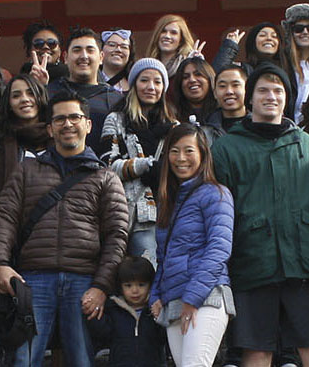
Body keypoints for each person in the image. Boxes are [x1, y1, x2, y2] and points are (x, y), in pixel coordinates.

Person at [0, 90, 130, 367]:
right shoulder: (27, 169)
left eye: (75, 117)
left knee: (81, 360)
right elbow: (5, 217)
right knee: (24, 360)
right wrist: (0, 264)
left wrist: (102, 285)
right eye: (60, 119)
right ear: (50, 128)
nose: (67, 124)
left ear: (88, 125)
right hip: (33, 279)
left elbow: (117, 235)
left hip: (84, 281)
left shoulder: (105, 177)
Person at [212, 62, 309, 367]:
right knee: (257, 352)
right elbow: (215, 209)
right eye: (263, 90)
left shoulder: (307, 145)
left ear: (287, 98)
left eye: (278, 91)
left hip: (305, 263)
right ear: (249, 98)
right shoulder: (226, 148)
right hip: (252, 263)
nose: (271, 96)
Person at [150, 123, 235, 367]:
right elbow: (163, 256)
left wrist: (193, 297)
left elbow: (219, 249)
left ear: (202, 155)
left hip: (206, 298)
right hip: (174, 301)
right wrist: (156, 294)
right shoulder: (169, 201)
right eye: (174, 151)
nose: (181, 158)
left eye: (189, 151)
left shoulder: (216, 194)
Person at [101, 58, 178, 263]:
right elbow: (107, 166)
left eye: (157, 81)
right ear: (134, 84)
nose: (151, 87)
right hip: (131, 213)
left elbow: (182, 167)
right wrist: (146, 165)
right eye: (144, 80)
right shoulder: (116, 119)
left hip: (169, 211)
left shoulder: (173, 127)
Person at [47, 27, 122, 155]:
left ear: (101, 57)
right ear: (65, 57)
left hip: (102, 170)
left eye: (90, 50)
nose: (84, 56)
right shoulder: (49, 93)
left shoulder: (117, 100)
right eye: (77, 50)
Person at [89, 256, 167, 367]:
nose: (135, 291)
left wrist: (159, 316)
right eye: (128, 285)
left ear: (151, 285)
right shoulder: (114, 310)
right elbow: (102, 335)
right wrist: (94, 312)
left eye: (141, 285)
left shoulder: (154, 311)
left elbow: (163, 338)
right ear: (120, 287)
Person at [0, 74, 50, 206]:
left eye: (31, 93)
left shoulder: (58, 137)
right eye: (16, 96)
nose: (25, 99)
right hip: (11, 220)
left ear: (41, 97)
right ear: (9, 104)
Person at [212, 22, 282, 75]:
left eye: (274, 36)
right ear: (252, 43)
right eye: (262, 35)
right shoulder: (244, 70)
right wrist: (230, 45)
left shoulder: (287, 68)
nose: (269, 38)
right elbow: (218, 73)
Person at [169, 55, 218, 125]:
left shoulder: (223, 113)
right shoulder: (170, 116)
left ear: (209, 79)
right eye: (185, 77)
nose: (192, 80)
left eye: (198, 74)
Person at [205, 63, 249, 138]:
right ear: (215, 93)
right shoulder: (205, 133)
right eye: (222, 86)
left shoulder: (259, 127)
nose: (229, 91)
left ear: (247, 90)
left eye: (235, 85)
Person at [101, 28, 135, 92]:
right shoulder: (90, 80)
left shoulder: (135, 84)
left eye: (124, 47)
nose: (118, 50)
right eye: (112, 45)